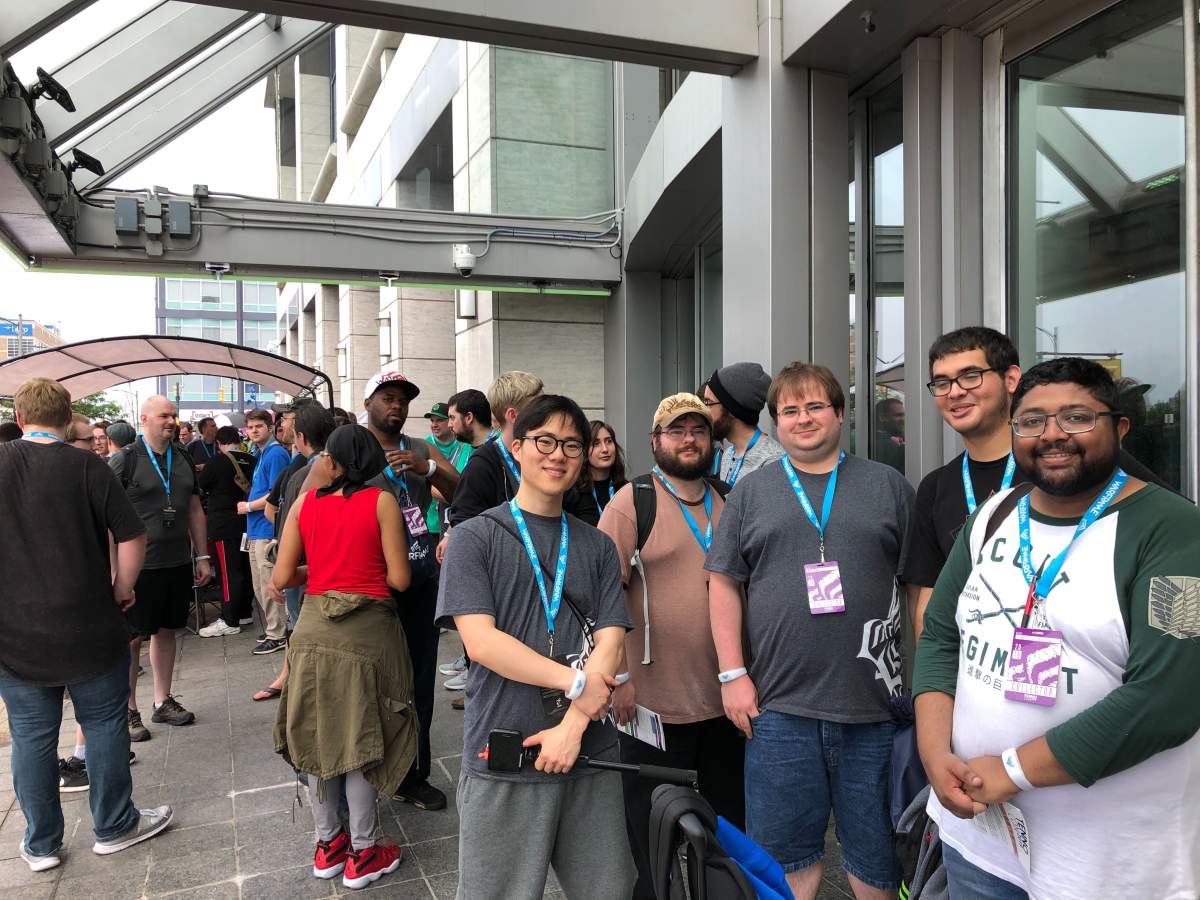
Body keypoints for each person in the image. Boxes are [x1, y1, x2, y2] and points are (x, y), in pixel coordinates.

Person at [913, 357, 1200, 899]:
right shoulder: (994, 515)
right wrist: (934, 753)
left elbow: (1170, 699)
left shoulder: (1174, 531)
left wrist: (1011, 770)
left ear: (1118, 428)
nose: (1052, 436)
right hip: (979, 839)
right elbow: (941, 639)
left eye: (1076, 418)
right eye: (1032, 421)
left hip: (1106, 863)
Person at [706, 362, 913, 900]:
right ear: (775, 421)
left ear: (841, 414)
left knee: (877, 863)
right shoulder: (751, 492)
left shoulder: (887, 485)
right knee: (784, 862)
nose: (803, 419)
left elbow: (918, 589)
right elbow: (723, 583)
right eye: (789, 411)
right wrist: (733, 674)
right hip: (779, 708)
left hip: (875, 709)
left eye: (815, 406)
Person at [437, 394, 634, 900]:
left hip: (590, 752)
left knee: (608, 890)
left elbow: (612, 637)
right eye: (544, 440)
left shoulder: (595, 544)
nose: (558, 454)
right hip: (506, 752)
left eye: (572, 444)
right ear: (517, 446)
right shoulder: (474, 538)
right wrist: (576, 683)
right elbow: (480, 642)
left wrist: (573, 723)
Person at [0, 378, 172, 870]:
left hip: (15, 635)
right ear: (67, 415)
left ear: (18, 419)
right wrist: (123, 587)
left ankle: (40, 845)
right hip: (90, 625)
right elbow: (133, 534)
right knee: (102, 723)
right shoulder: (87, 467)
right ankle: (116, 826)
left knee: (32, 736)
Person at [902, 326, 1170, 642]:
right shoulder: (936, 487)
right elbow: (927, 604)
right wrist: (936, 686)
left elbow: (1168, 535)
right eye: (942, 382)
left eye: (971, 375)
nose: (956, 392)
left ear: (1011, 379)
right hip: (977, 675)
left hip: (1090, 668)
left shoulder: (1074, 460)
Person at [597, 393, 743, 900]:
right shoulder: (630, 502)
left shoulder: (728, 498)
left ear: (711, 441)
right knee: (652, 829)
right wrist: (617, 678)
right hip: (652, 703)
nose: (688, 439)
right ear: (656, 441)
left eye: (698, 430)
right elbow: (600, 595)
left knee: (727, 824)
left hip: (723, 700)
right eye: (676, 431)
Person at [271, 424, 418, 891]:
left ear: (332, 461)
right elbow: (399, 580)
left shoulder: (306, 504)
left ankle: (327, 844)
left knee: (319, 736)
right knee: (360, 740)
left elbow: (282, 575)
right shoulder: (382, 502)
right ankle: (364, 851)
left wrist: (324, 567)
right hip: (367, 634)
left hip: (313, 632)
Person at [361, 370, 459, 812]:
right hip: (368, 586)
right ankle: (367, 768)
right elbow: (312, 499)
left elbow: (462, 487)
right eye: (388, 397)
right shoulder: (351, 449)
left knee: (420, 680)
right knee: (371, 682)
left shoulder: (419, 448)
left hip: (419, 583)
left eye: (402, 399)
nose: (396, 405)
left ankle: (412, 775)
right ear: (369, 403)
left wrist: (430, 468)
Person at [110, 396, 211, 742]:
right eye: (163, 415)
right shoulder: (124, 460)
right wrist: (114, 571)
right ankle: (128, 709)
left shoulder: (182, 455)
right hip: (139, 567)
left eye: (174, 415)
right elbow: (106, 520)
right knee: (132, 638)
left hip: (177, 561)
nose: (171, 420)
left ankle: (162, 700)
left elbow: (195, 509)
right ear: (144, 419)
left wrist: (203, 556)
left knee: (167, 630)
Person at [443, 374, 545, 711]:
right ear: (514, 415)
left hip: (544, 584)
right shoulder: (484, 463)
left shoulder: (541, 453)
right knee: (502, 687)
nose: (546, 408)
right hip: (503, 592)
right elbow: (465, 526)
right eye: (538, 401)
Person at [256, 402, 335, 702]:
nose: (283, 426)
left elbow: (292, 525)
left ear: (301, 435)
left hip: (305, 571)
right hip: (314, 570)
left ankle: (304, 690)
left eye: (287, 420)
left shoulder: (307, 473)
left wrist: (281, 573)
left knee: (302, 630)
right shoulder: (308, 468)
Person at [437, 388, 495, 687]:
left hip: (486, 557)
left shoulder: (488, 455)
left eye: (452, 418)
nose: (448, 425)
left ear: (469, 418)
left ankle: (478, 682)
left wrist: (453, 532)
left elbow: (468, 506)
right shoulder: (476, 451)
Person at [448, 371, 544, 525]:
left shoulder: (549, 452)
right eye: (539, 408)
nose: (547, 413)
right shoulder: (481, 465)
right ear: (513, 415)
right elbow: (463, 524)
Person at [238, 408, 290, 655]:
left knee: (269, 583)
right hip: (256, 528)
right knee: (260, 584)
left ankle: (278, 632)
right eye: (250, 427)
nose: (254, 431)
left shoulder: (276, 453)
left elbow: (276, 492)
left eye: (259, 426)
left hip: (267, 528)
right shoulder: (262, 453)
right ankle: (274, 627)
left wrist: (248, 505)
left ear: (270, 427)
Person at [196, 426, 257, 638]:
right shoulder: (252, 460)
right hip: (248, 523)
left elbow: (200, 486)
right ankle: (245, 612)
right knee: (245, 568)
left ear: (220, 443)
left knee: (228, 572)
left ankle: (229, 619)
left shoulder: (216, 462)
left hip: (224, 525)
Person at [701, 362, 784, 486]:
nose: (704, 410)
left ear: (732, 409)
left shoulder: (773, 461)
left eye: (708, 402)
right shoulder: (728, 455)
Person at [570, 420, 628, 526]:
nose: (605, 449)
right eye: (596, 444)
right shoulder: (573, 492)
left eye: (609, 441)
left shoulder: (626, 489)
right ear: (585, 450)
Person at [874, 396, 906, 474]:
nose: (903, 419)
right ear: (882, 417)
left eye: (903, 415)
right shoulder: (885, 444)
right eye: (898, 415)